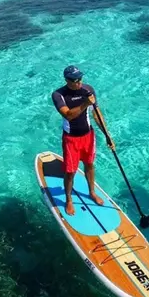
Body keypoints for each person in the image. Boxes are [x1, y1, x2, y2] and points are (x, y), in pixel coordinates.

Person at [52, 65, 115, 216]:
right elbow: (68, 115)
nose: (79, 82)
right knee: (70, 171)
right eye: (74, 80)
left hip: (88, 136)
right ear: (67, 80)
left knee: (89, 164)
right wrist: (85, 103)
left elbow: (96, 115)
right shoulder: (58, 95)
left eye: (80, 78)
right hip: (71, 139)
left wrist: (107, 136)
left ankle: (92, 192)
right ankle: (68, 199)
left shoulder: (88, 90)